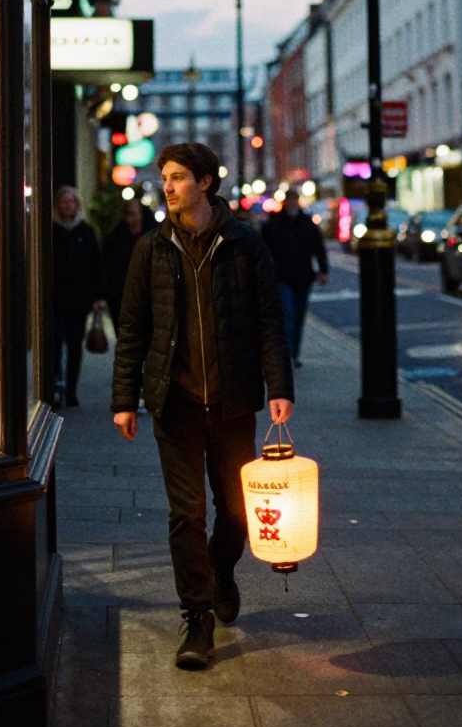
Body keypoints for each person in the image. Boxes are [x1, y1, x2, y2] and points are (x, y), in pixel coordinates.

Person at [112, 142, 293, 670]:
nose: (166, 187)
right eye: (164, 177)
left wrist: (279, 385)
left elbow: (269, 322)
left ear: (206, 183)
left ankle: (220, 571)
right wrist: (125, 398)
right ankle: (198, 618)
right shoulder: (151, 248)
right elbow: (133, 328)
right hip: (177, 404)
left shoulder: (245, 245)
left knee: (236, 511)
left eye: (176, 178)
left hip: (235, 403)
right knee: (186, 514)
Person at [261, 188, 328, 368]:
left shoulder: (307, 224)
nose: (292, 204)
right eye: (289, 200)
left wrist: (323, 270)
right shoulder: (274, 224)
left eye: (294, 200)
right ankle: (287, 354)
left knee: (298, 317)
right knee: (288, 315)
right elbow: (263, 249)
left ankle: (293, 354)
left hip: (303, 277)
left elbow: (318, 247)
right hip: (281, 277)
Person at [52, 185, 104, 407]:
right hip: (54, 298)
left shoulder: (85, 231)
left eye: (71, 202)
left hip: (79, 299)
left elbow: (96, 265)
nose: (67, 205)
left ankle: (71, 390)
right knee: (54, 345)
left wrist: (97, 296)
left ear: (76, 204)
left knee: (74, 346)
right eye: (64, 201)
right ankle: (55, 386)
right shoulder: (51, 231)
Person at [103, 197, 155, 336]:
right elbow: (108, 269)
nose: (132, 217)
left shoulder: (153, 237)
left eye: (135, 213)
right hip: (123, 297)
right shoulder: (114, 239)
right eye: (129, 213)